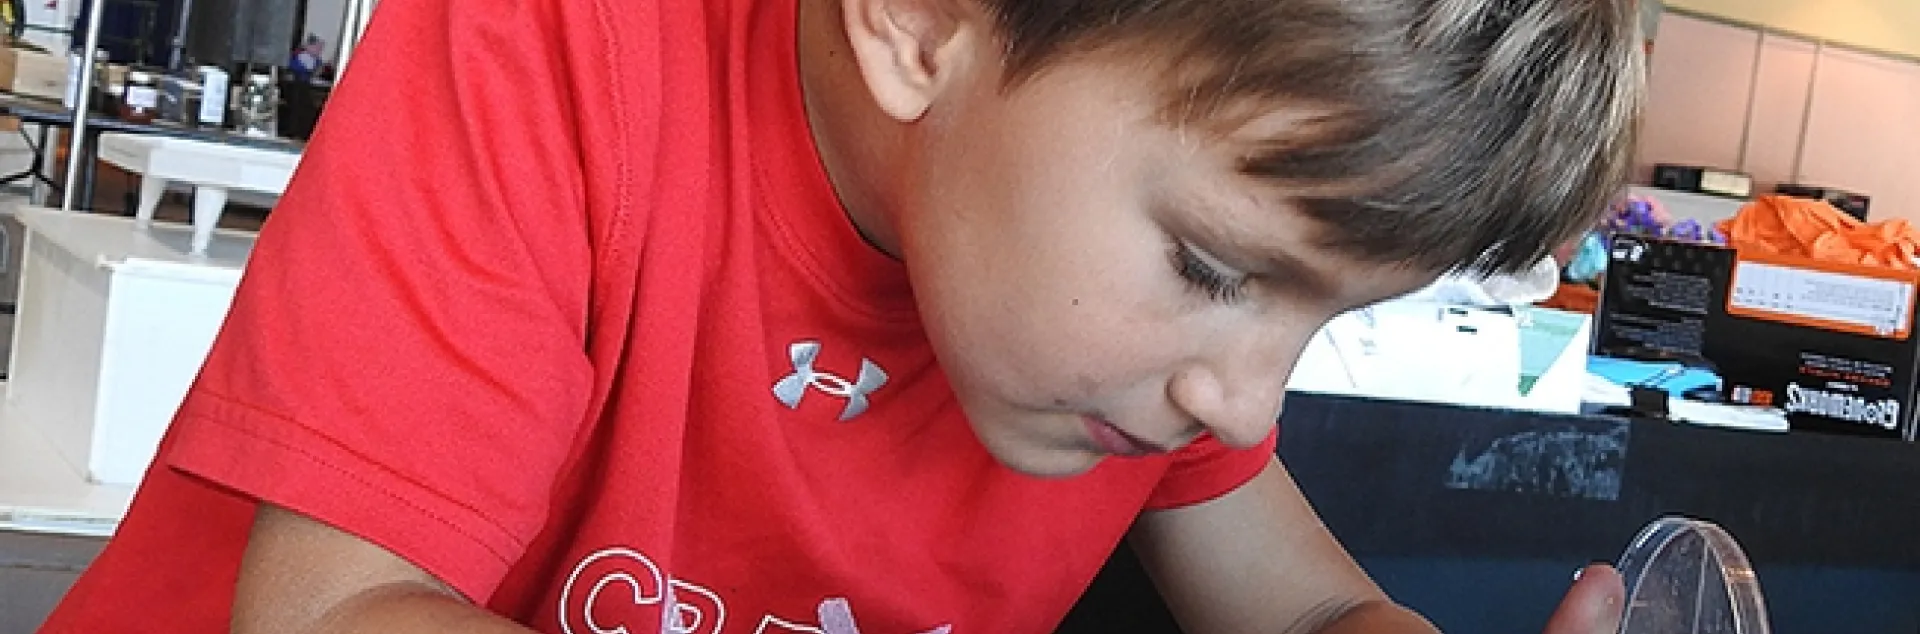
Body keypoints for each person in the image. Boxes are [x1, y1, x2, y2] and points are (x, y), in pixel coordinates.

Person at [39, 0, 1644, 631]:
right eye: (1220, 272)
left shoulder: (1116, 355)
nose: (1243, 398)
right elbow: (335, 612)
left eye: (1327, 321)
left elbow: (1305, 613)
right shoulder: (562, 47)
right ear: (929, 24)